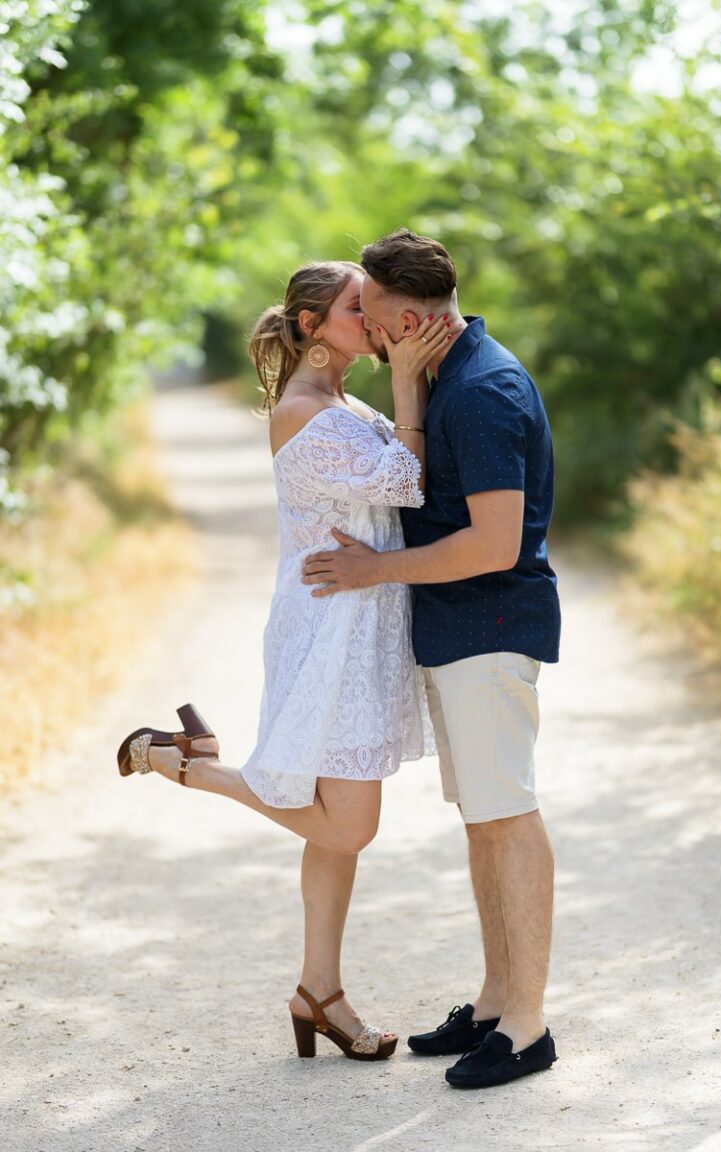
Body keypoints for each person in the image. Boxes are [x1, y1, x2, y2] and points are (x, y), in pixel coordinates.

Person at [116, 260, 451, 1062]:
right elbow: (406, 483)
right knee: (351, 824)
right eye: (355, 310)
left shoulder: (341, 403)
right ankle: (183, 764)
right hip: (329, 633)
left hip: (359, 628)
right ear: (312, 327)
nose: (371, 322)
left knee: (333, 834)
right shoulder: (307, 413)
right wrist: (408, 381)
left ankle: (319, 992)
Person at [301, 230, 561, 1089]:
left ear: (409, 317)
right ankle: (495, 1000)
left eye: (372, 318)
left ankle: (526, 1028)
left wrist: (374, 570)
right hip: (456, 631)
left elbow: (491, 542)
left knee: (507, 818)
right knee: (483, 821)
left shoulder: (484, 389)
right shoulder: (444, 377)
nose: (369, 335)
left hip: (489, 624)